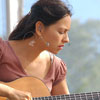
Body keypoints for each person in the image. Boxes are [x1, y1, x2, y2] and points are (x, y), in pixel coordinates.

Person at [0, 0, 72, 99]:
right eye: (61, 32)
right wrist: (10, 92)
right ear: (39, 28)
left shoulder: (56, 67)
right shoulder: (2, 50)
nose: (66, 39)